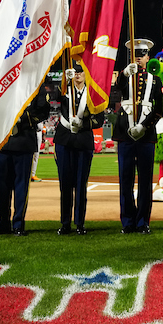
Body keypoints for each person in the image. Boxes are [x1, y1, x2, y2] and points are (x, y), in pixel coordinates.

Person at [109, 38, 163, 234]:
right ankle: (128, 222)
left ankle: (143, 222)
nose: (138, 59)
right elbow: (117, 88)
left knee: (145, 180)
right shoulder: (125, 77)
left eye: (142, 55)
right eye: (135, 55)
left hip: (145, 136)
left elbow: (159, 110)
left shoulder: (155, 81)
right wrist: (124, 73)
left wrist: (145, 126)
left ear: (148, 57)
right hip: (125, 135)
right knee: (125, 179)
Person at [0, 92, 50, 237]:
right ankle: (2, 222)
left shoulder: (36, 83)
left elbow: (43, 110)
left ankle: (18, 224)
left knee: (21, 187)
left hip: (24, 141)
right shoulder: (1, 80)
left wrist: (21, 118)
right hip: (0, 141)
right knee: (0, 186)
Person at [54, 62, 106, 235]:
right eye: (75, 72)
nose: (77, 74)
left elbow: (99, 119)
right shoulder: (64, 90)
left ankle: (80, 223)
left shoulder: (92, 94)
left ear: (86, 74)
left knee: (80, 184)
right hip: (64, 141)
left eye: (80, 71)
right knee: (65, 185)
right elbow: (53, 97)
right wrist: (63, 80)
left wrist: (83, 123)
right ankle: (65, 223)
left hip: (83, 141)